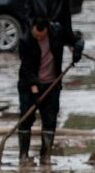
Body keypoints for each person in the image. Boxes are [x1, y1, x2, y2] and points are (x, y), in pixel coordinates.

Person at [15, 14, 82, 163]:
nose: (39, 38)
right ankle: (23, 156)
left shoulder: (57, 33)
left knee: (50, 119)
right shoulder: (25, 40)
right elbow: (26, 66)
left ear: (47, 30)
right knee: (26, 119)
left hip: (52, 84)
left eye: (42, 36)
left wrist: (78, 47)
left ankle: (45, 156)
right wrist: (34, 88)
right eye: (36, 36)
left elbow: (74, 38)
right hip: (29, 86)